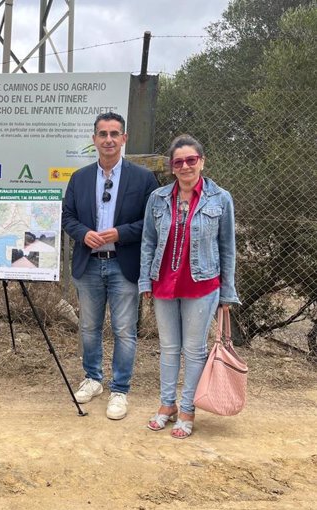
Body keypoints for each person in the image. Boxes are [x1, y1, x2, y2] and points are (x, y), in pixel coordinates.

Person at [139, 134, 239, 438]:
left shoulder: (220, 198)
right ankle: (166, 404)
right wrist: (145, 279)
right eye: (179, 162)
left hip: (203, 283)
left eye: (191, 160)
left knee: (194, 350)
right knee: (168, 348)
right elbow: (148, 241)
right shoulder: (157, 198)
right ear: (172, 167)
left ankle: (187, 408)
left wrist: (227, 292)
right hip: (164, 282)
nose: (185, 166)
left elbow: (227, 247)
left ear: (202, 162)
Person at [62, 112, 159, 420]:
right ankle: (93, 379)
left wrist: (120, 233)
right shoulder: (80, 178)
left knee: (124, 330)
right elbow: (67, 218)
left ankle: (120, 389)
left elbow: (150, 222)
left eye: (114, 134)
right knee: (89, 328)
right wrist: (83, 233)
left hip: (123, 264)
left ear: (124, 139)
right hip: (89, 265)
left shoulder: (142, 178)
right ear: (94, 140)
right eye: (102, 134)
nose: (108, 140)